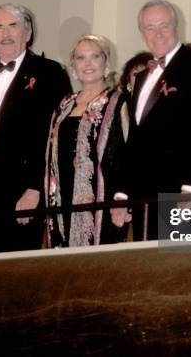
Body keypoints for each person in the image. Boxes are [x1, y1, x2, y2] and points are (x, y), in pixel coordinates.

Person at [0, 3, 71, 254]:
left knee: (15, 274)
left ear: (27, 33)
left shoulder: (48, 72)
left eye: (12, 26)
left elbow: (53, 136)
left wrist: (34, 188)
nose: (5, 34)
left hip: (20, 191)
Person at [113, 0, 191, 241]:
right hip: (143, 196)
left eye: (164, 26)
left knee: (174, 272)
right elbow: (135, 140)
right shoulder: (140, 80)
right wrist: (122, 194)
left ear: (176, 26)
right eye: (149, 27)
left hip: (179, 193)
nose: (157, 34)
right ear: (141, 33)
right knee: (145, 271)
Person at [44, 34, 129, 247]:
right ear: (73, 65)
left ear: (106, 62)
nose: (88, 63)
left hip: (104, 202)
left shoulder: (119, 102)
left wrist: (123, 199)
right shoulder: (64, 104)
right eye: (81, 58)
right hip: (61, 200)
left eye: (95, 56)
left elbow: (129, 154)